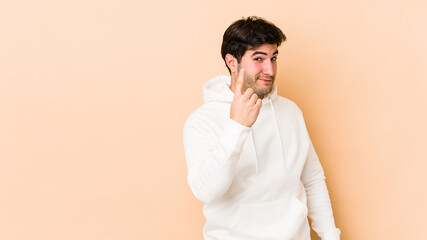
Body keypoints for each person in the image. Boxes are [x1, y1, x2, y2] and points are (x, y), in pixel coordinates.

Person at [183, 16, 340, 240]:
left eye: (273, 58)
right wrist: (237, 127)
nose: (270, 69)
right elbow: (205, 191)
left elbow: (312, 179)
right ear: (232, 62)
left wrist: (330, 236)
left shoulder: (290, 111)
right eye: (258, 58)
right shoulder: (202, 121)